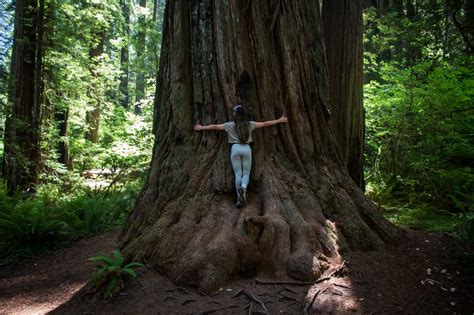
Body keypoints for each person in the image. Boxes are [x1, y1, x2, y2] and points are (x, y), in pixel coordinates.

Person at [194, 105, 288, 208]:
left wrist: (202, 127)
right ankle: (243, 187)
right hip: (246, 149)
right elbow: (265, 124)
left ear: (235, 115)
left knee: (238, 174)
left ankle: (240, 198)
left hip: (235, 149)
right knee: (246, 174)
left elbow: (215, 126)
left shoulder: (229, 125)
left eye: (234, 112)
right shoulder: (250, 124)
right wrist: (279, 120)